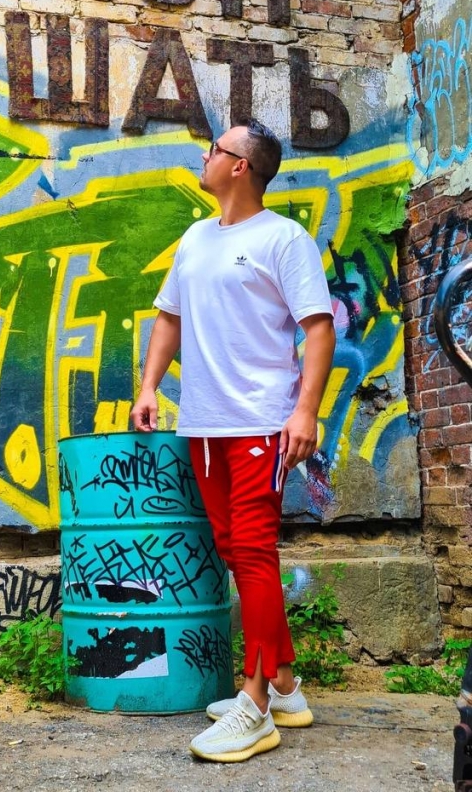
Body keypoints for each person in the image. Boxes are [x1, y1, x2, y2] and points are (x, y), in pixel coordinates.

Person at [130, 117, 335, 764]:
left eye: (215, 149)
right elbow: (169, 318)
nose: (205, 155)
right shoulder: (196, 237)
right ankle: (286, 685)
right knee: (233, 549)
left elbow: (319, 328)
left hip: (260, 422)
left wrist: (305, 412)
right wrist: (148, 387)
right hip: (204, 424)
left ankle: (255, 705)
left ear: (240, 166)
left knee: (252, 551)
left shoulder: (283, 238)